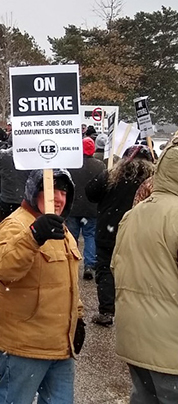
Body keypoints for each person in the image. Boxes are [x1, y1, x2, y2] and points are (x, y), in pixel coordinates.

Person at [0, 169, 85, 404]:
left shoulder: (62, 229)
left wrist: (78, 318)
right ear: (33, 192)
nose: (59, 198)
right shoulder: (15, 225)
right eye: (51, 190)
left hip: (61, 347)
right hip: (25, 348)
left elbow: (67, 282)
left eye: (64, 191)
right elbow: (3, 268)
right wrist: (32, 237)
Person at [113, 138, 178, 403]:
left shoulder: (134, 214)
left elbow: (117, 265)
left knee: (144, 397)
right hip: (170, 341)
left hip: (134, 333)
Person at [86, 145, 155, 327]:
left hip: (109, 231)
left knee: (106, 270)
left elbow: (90, 193)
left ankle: (107, 310)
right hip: (138, 232)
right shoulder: (153, 181)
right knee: (136, 271)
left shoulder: (111, 176)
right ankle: (132, 312)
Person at [65, 138, 106, 282]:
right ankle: (89, 265)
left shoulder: (71, 164)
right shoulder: (100, 166)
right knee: (90, 236)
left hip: (73, 206)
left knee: (71, 237)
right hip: (92, 207)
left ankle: (71, 263)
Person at [0, 147, 30, 221]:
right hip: (24, 199)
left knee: (6, 225)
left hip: (7, 198)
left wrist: (3, 148)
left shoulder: (4, 155)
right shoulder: (29, 154)